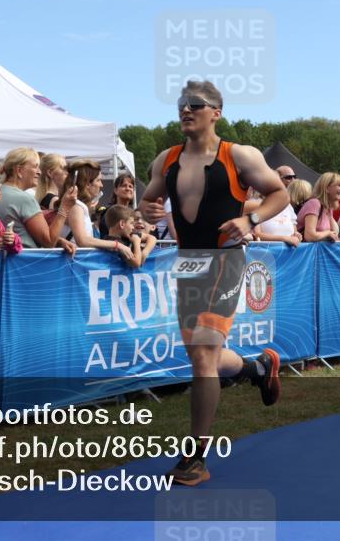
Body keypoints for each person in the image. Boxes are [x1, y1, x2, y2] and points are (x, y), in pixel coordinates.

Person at [141, 80, 287, 487]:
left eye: (195, 104)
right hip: (188, 263)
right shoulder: (166, 159)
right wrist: (146, 207)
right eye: (181, 104)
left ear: (216, 112)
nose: (186, 109)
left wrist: (250, 219)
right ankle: (258, 368)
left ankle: (196, 457)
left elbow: (280, 193)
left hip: (226, 261)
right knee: (203, 357)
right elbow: (148, 200)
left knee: (204, 356)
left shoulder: (238, 154)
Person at [0, 147, 77, 254]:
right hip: (24, 263)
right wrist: (64, 208)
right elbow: (49, 241)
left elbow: (22, 232)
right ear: (19, 170)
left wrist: (59, 241)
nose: (39, 172)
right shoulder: (23, 198)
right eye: (35, 167)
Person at [57, 160, 128, 253]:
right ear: (87, 184)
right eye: (98, 180)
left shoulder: (79, 206)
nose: (101, 185)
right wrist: (117, 245)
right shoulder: (76, 207)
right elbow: (82, 240)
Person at [99, 173, 136, 238]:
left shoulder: (133, 213)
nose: (128, 189)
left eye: (130, 186)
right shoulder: (109, 212)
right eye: (124, 186)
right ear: (115, 190)